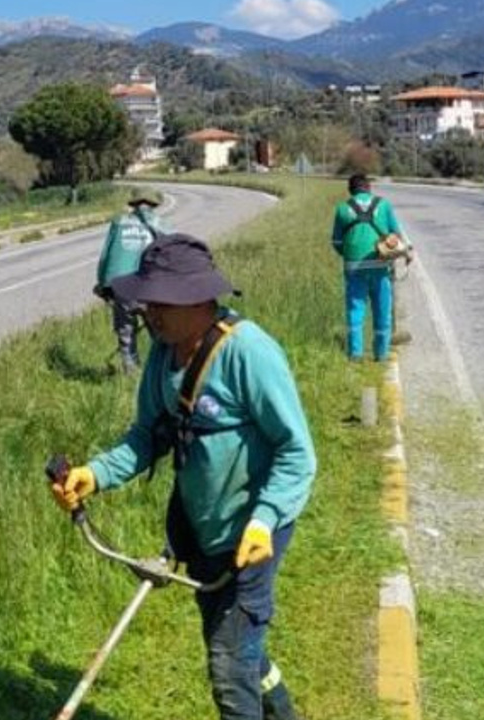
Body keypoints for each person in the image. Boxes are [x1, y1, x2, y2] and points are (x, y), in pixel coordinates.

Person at [52, 234, 316, 720]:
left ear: (195, 296)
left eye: (158, 300)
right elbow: (146, 437)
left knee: (229, 665)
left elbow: (296, 452)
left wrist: (265, 519)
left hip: (253, 534)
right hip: (201, 533)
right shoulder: (162, 354)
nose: (147, 311)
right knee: (242, 646)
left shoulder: (250, 353)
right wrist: (95, 474)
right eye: (146, 299)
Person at [330, 174, 410, 362]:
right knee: (382, 309)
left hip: (354, 267)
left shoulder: (342, 209)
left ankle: (355, 354)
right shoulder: (384, 205)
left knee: (355, 310)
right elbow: (396, 235)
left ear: (350, 190)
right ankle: (381, 354)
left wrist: (349, 254)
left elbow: (336, 242)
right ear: (369, 188)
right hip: (381, 266)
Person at [95, 187, 167, 372]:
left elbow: (106, 256)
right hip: (149, 288)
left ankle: (131, 372)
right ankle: (162, 371)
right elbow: (172, 253)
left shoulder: (119, 222)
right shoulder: (160, 223)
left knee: (126, 334)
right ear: (153, 204)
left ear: (134, 205)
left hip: (122, 288)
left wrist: (103, 284)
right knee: (160, 334)